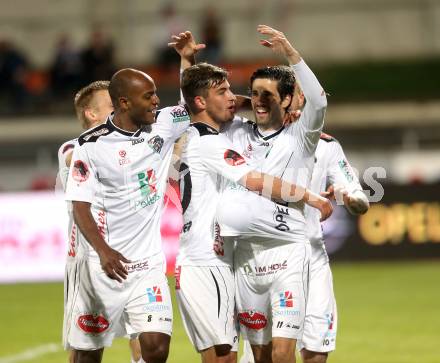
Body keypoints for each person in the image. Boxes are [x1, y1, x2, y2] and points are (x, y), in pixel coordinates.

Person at [174, 59, 331, 363]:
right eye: (250, 94)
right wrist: (310, 197)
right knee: (237, 356)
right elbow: (255, 181)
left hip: (260, 253)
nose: (238, 98)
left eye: (266, 95)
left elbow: (196, 97)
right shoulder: (222, 137)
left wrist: (286, 58)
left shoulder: (291, 134)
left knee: (261, 353)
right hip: (224, 257)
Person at [215, 25, 328, 363]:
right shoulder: (235, 131)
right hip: (245, 257)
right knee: (260, 352)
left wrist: (290, 53)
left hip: (288, 254)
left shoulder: (300, 136)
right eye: (255, 94)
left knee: (282, 352)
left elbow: (319, 100)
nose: (259, 101)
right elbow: (204, 105)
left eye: (268, 94)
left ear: (290, 99)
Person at [64, 67, 190, 363]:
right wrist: (104, 251)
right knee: (87, 356)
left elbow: (198, 103)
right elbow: (79, 205)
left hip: (147, 266)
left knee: (157, 348)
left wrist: (187, 59)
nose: (157, 101)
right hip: (103, 267)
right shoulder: (90, 146)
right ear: (124, 103)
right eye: (148, 96)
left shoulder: (164, 124)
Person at [58, 81, 144, 363]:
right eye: (112, 104)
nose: (121, 106)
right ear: (92, 114)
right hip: (89, 259)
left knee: (144, 334)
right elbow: (74, 159)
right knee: (86, 347)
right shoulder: (73, 147)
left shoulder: (134, 143)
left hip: (134, 254)